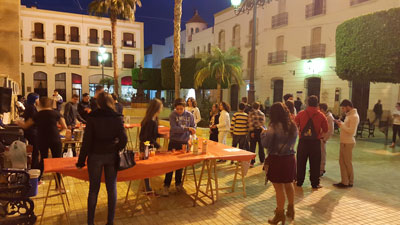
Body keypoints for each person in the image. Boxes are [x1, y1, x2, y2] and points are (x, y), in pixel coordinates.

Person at [76, 92, 127, 225]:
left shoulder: (92, 117)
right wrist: (117, 148)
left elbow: (86, 141)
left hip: (95, 156)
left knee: (93, 189)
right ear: (111, 102)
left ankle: (90, 222)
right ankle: (110, 221)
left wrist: (81, 161)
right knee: (112, 189)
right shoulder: (117, 117)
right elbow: (124, 139)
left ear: (98, 103)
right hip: (111, 155)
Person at [261, 102, 297, 224]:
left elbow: (265, 144)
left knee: (278, 188)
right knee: (289, 184)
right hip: (290, 159)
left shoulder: (273, 126)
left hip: (277, 159)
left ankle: (280, 214)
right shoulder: (293, 125)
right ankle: (291, 209)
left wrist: (263, 134)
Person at [18, 97, 67, 182]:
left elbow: (26, 125)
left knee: (43, 159)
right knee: (57, 160)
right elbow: (64, 127)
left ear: (40, 104)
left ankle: (37, 180)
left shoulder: (37, 115)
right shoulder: (56, 113)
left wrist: (18, 122)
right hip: (55, 139)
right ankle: (58, 185)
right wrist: (59, 133)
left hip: (42, 139)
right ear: (50, 104)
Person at [162, 98, 196, 196]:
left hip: (184, 143)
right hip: (174, 142)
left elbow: (193, 126)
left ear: (185, 108)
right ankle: (166, 185)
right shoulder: (173, 115)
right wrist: (187, 128)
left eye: (181, 109)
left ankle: (178, 183)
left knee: (180, 165)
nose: (179, 111)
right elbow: (174, 128)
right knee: (170, 165)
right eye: (177, 109)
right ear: (175, 108)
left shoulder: (190, 115)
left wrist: (192, 129)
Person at [295, 95, 328, 189]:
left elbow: (295, 124)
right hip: (315, 142)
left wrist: (300, 132)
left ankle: (299, 181)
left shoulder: (301, 113)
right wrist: (319, 134)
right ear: (317, 103)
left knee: (301, 162)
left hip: (303, 142)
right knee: (315, 163)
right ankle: (314, 183)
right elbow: (326, 129)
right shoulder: (321, 115)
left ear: (307, 103)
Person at [333, 100, 359, 188]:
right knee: (342, 162)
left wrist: (341, 125)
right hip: (344, 141)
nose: (343, 110)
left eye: (343, 108)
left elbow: (352, 131)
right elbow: (347, 127)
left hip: (348, 142)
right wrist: (341, 123)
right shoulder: (349, 116)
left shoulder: (354, 116)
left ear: (348, 106)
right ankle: (345, 181)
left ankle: (349, 182)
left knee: (347, 162)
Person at [139, 99, 164, 193]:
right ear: (157, 108)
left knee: (147, 166)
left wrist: (162, 135)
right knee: (147, 167)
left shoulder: (154, 119)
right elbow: (148, 137)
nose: (162, 108)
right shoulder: (150, 120)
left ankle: (146, 187)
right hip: (145, 146)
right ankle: (147, 188)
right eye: (161, 106)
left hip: (148, 145)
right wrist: (159, 146)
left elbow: (153, 134)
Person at [22, 93, 39, 170]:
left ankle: (33, 168)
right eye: (38, 98)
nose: (39, 100)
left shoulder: (30, 107)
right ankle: (34, 169)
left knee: (35, 151)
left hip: (30, 131)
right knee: (35, 151)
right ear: (35, 100)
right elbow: (33, 120)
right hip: (32, 132)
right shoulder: (31, 108)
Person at [318, 103, 334, 177]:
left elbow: (330, 130)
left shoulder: (329, 117)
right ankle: (318, 168)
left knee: (322, 155)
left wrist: (325, 139)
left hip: (322, 138)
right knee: (318, 154)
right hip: (319, 138)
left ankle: (321, 169)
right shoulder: (324, 116)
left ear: (322, 109)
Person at [248, 102, 266, 167]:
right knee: (261, 146)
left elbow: (250, 123)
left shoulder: (251, 114)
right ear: (259, 107)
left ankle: (252, 162)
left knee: (252, 146)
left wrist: (252, 131)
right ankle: (262, 160)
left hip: (253, 131)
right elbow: (263, 123)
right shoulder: (262, 114)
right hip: (260, 131)